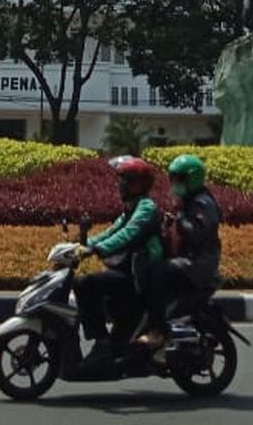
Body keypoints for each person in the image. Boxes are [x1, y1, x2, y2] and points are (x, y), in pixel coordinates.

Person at [73, 156, 164, 363]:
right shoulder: (132, 208)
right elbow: (112, 231)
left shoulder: (146, 208)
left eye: (127, 180)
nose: (121, 184)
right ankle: (114, 338)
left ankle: (102, 341)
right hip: (130, 269)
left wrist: (96, 248)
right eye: (121, 179)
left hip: (141, 274)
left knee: (85, 283)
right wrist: (81, 245)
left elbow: (128, 234)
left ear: (140, 184)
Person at [136, 153, 223, 349]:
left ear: (193, 179)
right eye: (173, 179)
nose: (175, 184)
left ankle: (158, 330)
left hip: (198, 264)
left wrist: (179, 218)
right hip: (188, 259)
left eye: (180, 179)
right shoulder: (189, 200)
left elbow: (199, 232)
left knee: (157, 272)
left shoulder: (202, 203)